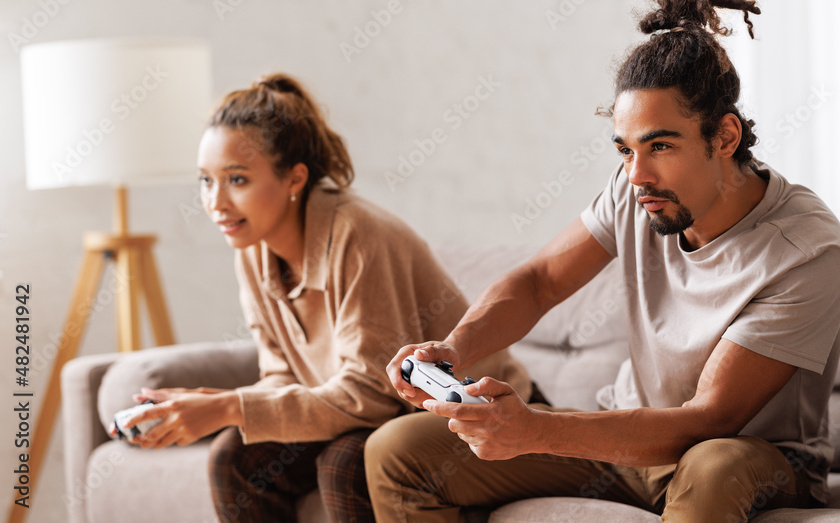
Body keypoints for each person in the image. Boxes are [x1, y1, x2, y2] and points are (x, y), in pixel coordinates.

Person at [365, 1, 840, 522]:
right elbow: (538, 282)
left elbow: (709, 420)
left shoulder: (805, 250)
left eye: (660, 145)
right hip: (630, 441)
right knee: (398, 451)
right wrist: (452, 350)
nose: (636, 174)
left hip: (744, 455)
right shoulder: (639, 189)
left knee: (712, 465)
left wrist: (534, 430)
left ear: (725, 137)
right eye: (624, 149)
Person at [111, 73, 532, 523]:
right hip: (370, 412)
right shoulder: (253, 248)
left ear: (294, 178)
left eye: (236, 179)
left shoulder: (358, 235)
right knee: (235, 457)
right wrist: (214, 403)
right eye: (206, 181)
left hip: (456, 410)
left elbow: (370, 395)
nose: (216, 202)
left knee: (345, 464)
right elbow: (281, 375)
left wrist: (229, 406)